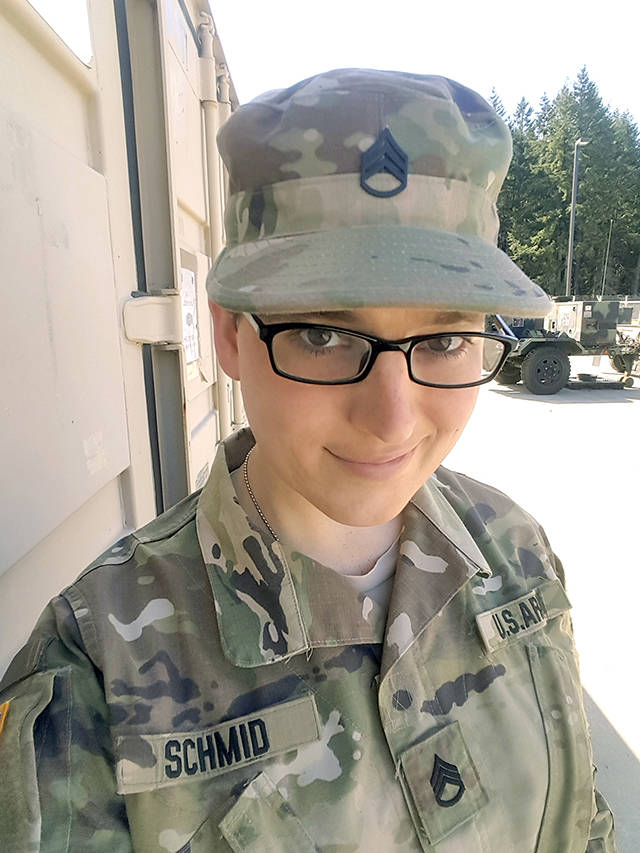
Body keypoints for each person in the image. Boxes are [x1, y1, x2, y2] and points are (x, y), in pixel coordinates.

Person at [0, 69, 616, 852]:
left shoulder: (517, 549)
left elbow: (582, 821)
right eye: (323, 335)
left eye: (446, 337)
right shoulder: (94, 672)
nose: (392, 418)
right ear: (229, 335)